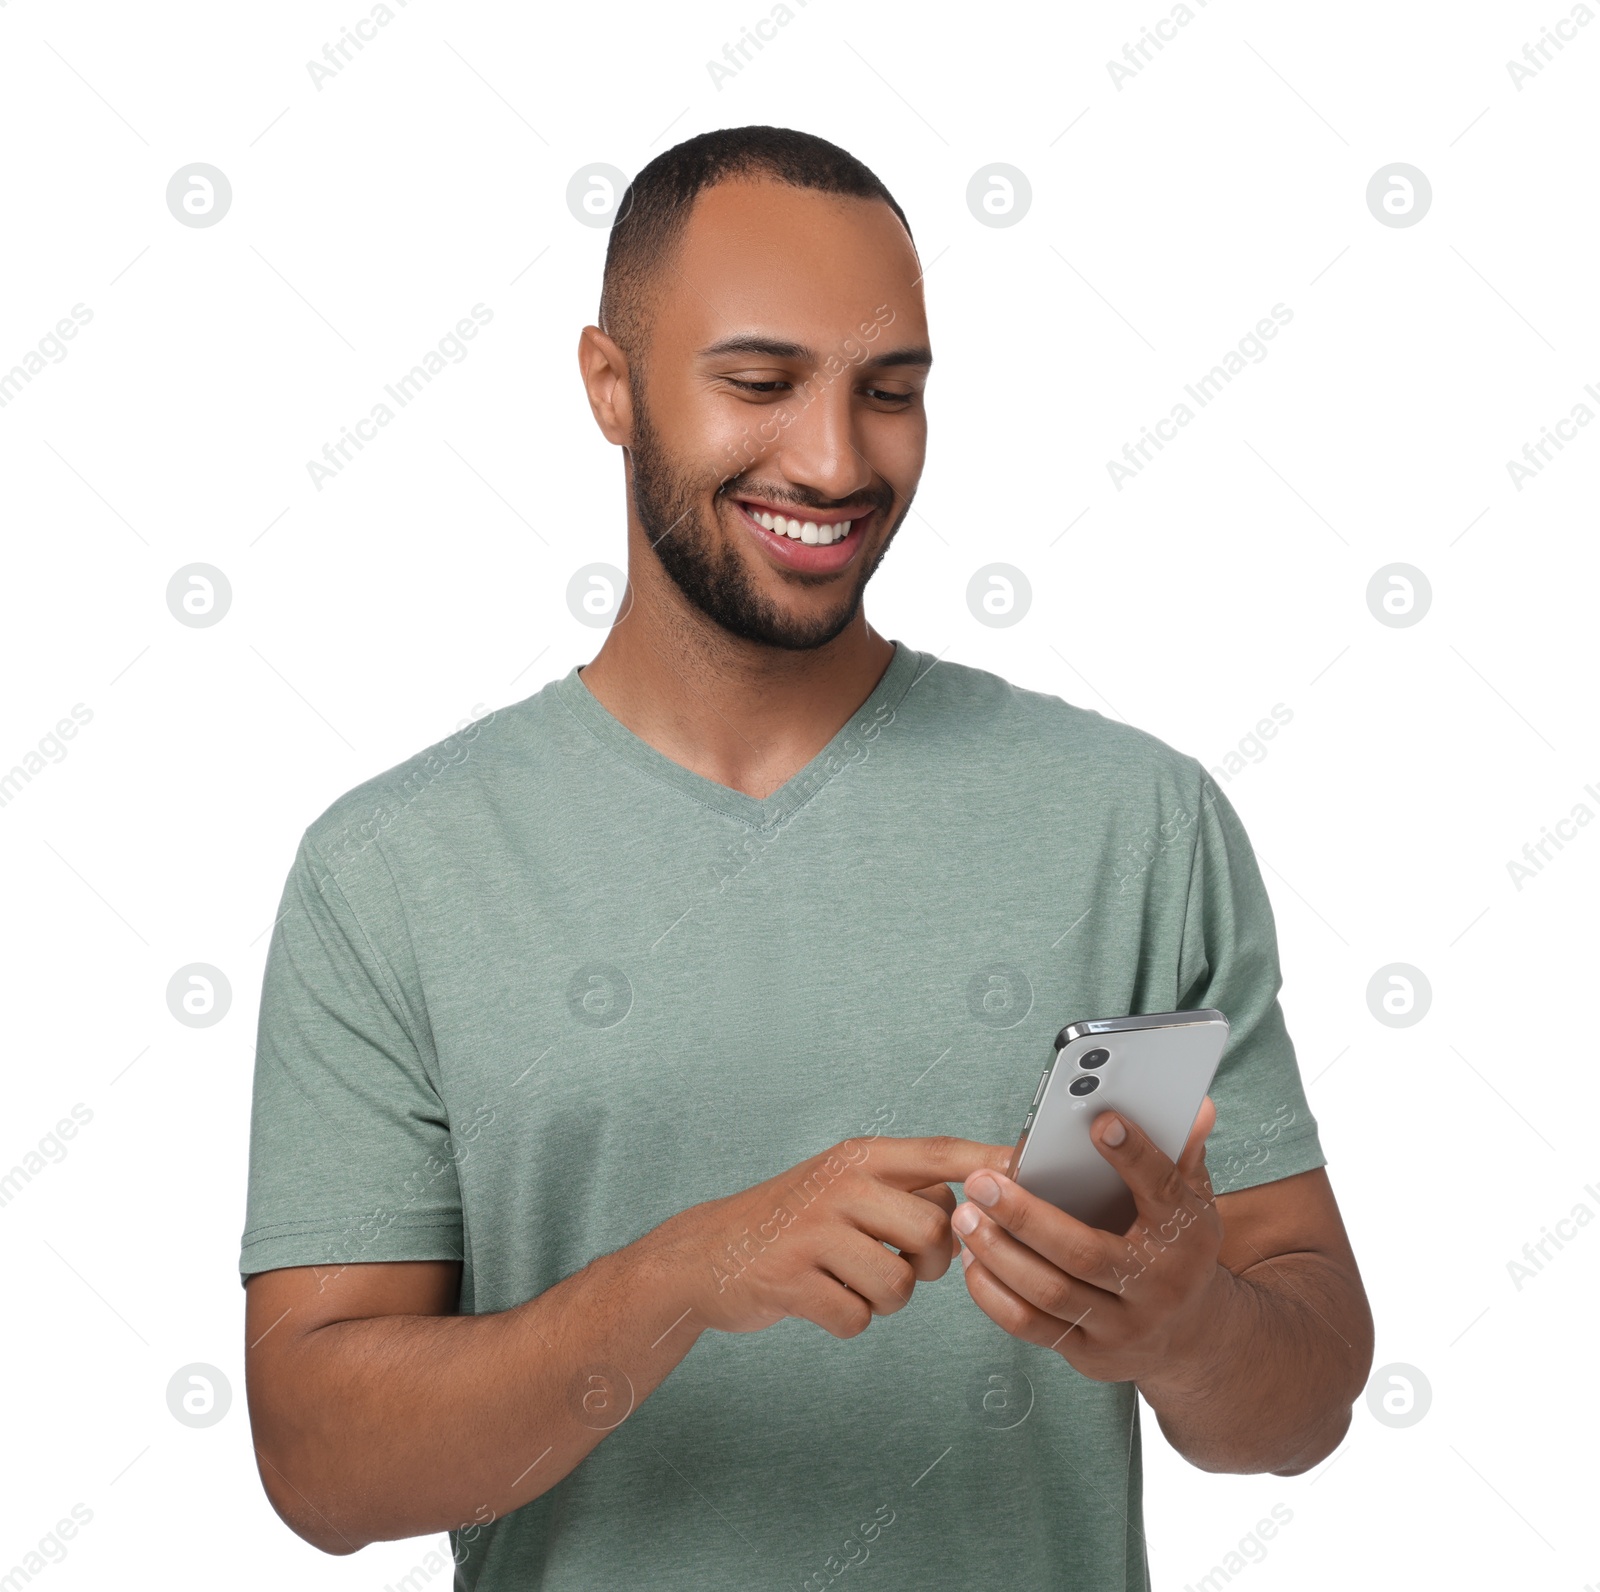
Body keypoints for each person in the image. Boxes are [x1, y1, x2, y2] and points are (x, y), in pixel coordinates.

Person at [240, 125, 1373, 1591]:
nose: (837, 462)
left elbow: (1308, 1397)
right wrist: (680, 1280)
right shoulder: (390, 871)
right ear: (611, 384)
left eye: (889, 394)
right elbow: (320, 1470)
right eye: (761, 384)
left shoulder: (1134, 822)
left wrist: (1189, 1330)